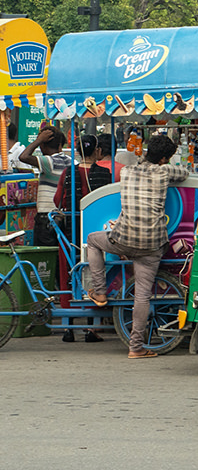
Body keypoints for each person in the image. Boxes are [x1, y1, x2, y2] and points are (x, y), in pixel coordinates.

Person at [85, 135, 189, 359]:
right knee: (142, 295)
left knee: (93, 240)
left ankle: (100, 292)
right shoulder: (164, 172)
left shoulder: (127, 172)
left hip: (123, 239)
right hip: (152, 245)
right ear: (163, 159)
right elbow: (185, 174)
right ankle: (136, 347)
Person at [53, 135, 108, 341]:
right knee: (95, 273)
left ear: (76, 151)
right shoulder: (104, 173)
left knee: (67, 274)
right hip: (95, 231)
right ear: (98, 152)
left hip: (69, 231)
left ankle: (68, 327)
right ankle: (92, 328)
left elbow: (58, 199)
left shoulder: (68, 173)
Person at [20, 125, 71, 247]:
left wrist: (38, 140)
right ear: (60, 145)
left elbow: (23, 157)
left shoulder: (48, 162)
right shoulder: (72, 161)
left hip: (46, 218)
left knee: (45, 257)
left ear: (42, 146)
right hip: (64, 216)